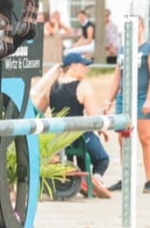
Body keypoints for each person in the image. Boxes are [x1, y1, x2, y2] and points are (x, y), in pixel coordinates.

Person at [31, 52, 112, 198]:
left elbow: (38, 113)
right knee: (103, 159)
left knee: (78, 150)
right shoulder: (83, 87)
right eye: (83, 66)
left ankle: (81, 180)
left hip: (57, 139)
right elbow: (93, 118)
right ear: (73, 67)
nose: (86, 69)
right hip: (79, 135)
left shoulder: (51, 88)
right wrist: (103, 130)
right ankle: (96, 178)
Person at [105, 15, 150, 194]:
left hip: (142, 95)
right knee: (122, 138)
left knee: (145, 138)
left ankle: (149, 180)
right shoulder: (123, 50)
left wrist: (149, 99)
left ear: (142, 28)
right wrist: (109, 100)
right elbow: (117, 77)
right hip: (124, 97)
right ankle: (126, 177)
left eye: (136, 27)